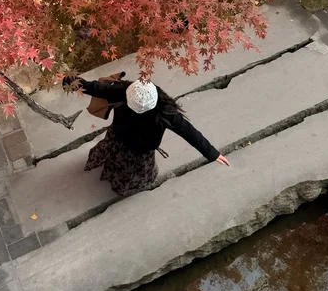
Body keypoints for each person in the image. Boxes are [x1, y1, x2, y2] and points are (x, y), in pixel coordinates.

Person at [63, 73, 229, 198]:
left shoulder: (123, 92)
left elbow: (95, 88)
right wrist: (212, 154)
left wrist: (212, 153)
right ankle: (122, 186)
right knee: (130, 171)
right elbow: (189, 132)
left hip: (120, 138)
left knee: (113, 156)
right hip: (139, 149)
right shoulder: (166, 112)